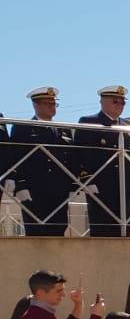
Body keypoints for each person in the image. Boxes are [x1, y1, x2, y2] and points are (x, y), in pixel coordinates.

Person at [75, 85, 130, 237]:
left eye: (123, 103)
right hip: (101, 186)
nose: (120, 105)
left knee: (125, 230)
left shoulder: (129, 126)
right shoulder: (89, 122)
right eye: (115, 101)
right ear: (103, 102)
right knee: (102, 230)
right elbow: (80, 154)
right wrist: (87, 180)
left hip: (125, 186)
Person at [13, 87, 75, 236]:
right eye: (48, 104)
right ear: (36, 105)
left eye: (54, 104)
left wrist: (72, 184)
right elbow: (16, 156)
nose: (52, 107)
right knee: (36, 232)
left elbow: (71, 157)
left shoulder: (63, 130)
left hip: (59, 190)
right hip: (34, 190)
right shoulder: (23, 128)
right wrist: (20, 185)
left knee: (59, 229)